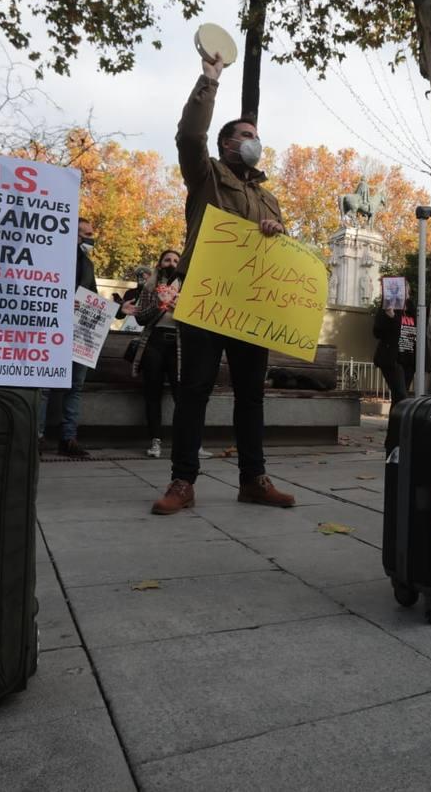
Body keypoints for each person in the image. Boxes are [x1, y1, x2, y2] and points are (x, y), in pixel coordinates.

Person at [150, 50, 295, 516]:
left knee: (251, 396)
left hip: (252, 307)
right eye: (245, 135)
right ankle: (182, 480)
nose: (254, 141)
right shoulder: (207, 175)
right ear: (227, 144)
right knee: (194, 390)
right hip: (207, 299)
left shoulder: (270, 198)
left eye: (257, 136)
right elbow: (189, 134)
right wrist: (209, 79)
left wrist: (277, 234)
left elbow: (279, 259)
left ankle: (254, 478)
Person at [35, 217, 104, 459]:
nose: (89, 238)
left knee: (75, 386)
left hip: (80, 331)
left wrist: (116, 310)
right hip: (51, 329)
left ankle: (68, 438)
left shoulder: (88, 264)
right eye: (85, 234)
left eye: (90, 233)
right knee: (44, 386)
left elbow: (92, 295)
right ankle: (37, 438)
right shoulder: (52, 257)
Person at [131, 249, 182, 458]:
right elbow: (140, 317)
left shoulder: (188, 286)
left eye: (176, 260)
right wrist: (160, 305)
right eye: (167, 260)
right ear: (160, 264)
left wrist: (181, 308)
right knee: (153, 392)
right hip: (154, 342)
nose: (171, 263)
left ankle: (187, 442)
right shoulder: (149, 287)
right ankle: (155, 440)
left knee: (182, 393)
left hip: (178, 345)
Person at [373, 297, 417, 404]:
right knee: (401, 395)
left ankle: (396, 420)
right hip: (393, 359)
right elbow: (377, 332)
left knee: (398, 398)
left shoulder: (414, 309)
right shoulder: (388, 306)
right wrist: (391, 317)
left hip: (409, 359)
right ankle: (404, 419)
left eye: (406, 287)